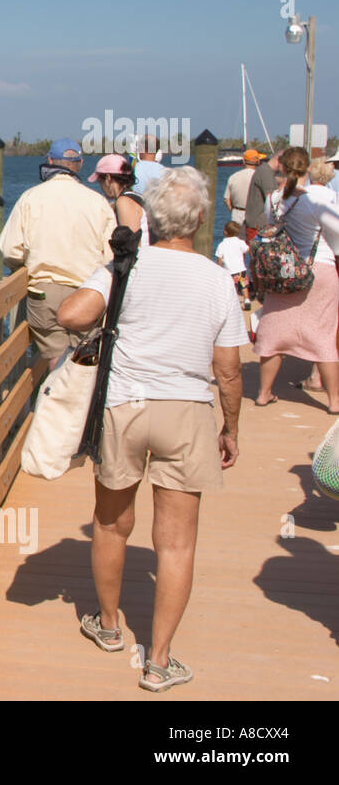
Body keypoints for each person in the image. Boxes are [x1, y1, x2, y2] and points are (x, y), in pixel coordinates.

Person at [57, 166, 247, 692]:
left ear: (150, 219)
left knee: (112, 523)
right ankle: (159, 661)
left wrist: (105, 283)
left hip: (125, 407)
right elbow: (228, 370)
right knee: (178, 544)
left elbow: (72, 315)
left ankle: (111, 626)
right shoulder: (215, 278)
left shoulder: (126, 265)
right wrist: (230, 428)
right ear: (202, 219)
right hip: (187, 411)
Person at [0, 137, 115, 369]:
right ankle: (83, 402)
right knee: (86, 357)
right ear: (80, 164)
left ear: (50, 161)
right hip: (88, 289)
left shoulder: (30, 198)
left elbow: (10, 249)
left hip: (45, 291)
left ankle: (59, 400)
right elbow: (110, 254)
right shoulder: (98, 202)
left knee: (56, 357)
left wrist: (22, 265)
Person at [252, 147, 339, 412]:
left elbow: (272, 228)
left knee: (273, 333)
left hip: (281, 271)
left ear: (282, 168)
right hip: (317, 269)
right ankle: (335, 401)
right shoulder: (315, 200)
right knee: (322, 335)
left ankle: (264, 393)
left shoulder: (273, 200)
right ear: (308, 169)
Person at [90, 153, 148, 247]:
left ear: (108, 178)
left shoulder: (124, 202)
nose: (101, 187)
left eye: (100, 181)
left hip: (141, 259)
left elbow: (132, 245)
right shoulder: (136, 198)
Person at [243, 150, 281, 242]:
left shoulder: (263, 170)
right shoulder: (266, 173)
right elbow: (272, 200)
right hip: (259, 227)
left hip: (253, 223)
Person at [215, 221, 251, 310]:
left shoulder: (222, 245)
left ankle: (232, 304)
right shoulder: (240, 242)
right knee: (244, 286)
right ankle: (246, 300)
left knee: (231, 288)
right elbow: (247, 250)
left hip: (229, 271)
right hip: (241, 269)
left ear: (225, 232)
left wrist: (219, 269)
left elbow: (219, 259)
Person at [223, 150, 261, 227]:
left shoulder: (233, 177)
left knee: (237, 237)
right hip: (255, 215)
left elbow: (227, 200)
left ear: (244, 161)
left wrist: (233, 211)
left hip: (237, 213)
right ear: (258, 162)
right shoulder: (260, 177)